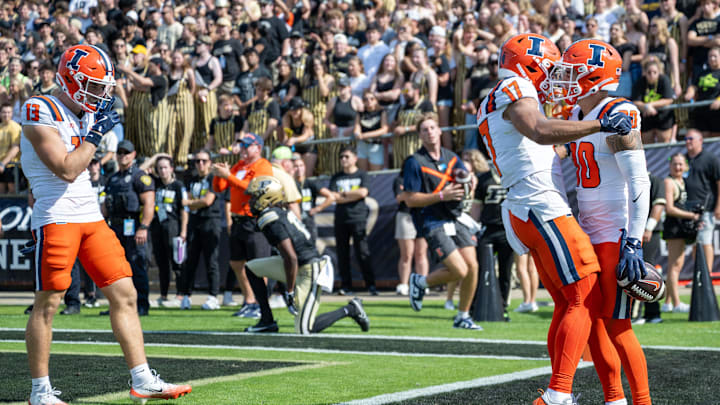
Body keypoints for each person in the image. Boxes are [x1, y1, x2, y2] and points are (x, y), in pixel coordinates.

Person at [20, 44, 191, 405]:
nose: (100, 94)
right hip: (57, 216)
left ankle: (142, 377)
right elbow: (65, 169)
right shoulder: (38, 109)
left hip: (90, 218)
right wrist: (95, 136)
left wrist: (93, 132)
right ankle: (40, 391)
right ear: (69, 80)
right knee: (48, 304)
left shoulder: (83, 110)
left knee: (125, 294)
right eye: (94, 86)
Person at [477, 34, 632, 404]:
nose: (555, 77)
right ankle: (558, 394)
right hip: (540, 204)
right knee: (585, 293)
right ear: (529, 64)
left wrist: (570, 145)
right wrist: (600, 125)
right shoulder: (514, 85)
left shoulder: (501, 93)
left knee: (568, 302)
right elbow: (540, 131)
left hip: (526, 205)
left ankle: (574, 392)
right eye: (549, 68)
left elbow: (537, 143)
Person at [552, 38, 653, 405]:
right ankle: (614, 399)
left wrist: (634, 240)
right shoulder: (579, 116)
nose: (566, 79)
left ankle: (642, 401)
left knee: (617, 325)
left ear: (593, 76)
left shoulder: (617, 111)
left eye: (573, 72)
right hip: (586, 231)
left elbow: (639, 180)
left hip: (614, 232)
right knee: (591, 323)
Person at [244, 176, 370, 334]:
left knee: (304, 330)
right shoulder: (276, 212)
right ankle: (267, 320)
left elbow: (291, 257)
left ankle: (351, 309)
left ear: (267, 196)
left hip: (310, 270)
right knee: (251, 268)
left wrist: (289, 292)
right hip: (296, 264)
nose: (250, 201)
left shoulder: (270, 217)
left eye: (255, 196)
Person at [401, 111, 481, 330]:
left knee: (473, 266)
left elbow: (466, 180)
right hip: (432, 220)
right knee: (459, 270)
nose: (429, 132)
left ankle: (462, 316)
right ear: (420, 135)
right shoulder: (414, 162)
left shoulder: (452, 157)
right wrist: (442, 195)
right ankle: (421, 281)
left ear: (439, 130)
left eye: (432, 128)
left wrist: (469, 182)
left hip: (455, 218)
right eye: (424, 129)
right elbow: (409, 199)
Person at [212, 132, 277, 332]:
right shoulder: (239, 166)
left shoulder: (262, 165)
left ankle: (260, 304)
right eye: (242, 145)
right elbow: (220, 187)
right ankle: (249, 300)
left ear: (257, 147)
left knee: (259, 265)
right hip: (238, 219)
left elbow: (253, 188)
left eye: (247, 145)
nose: (243, 149)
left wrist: (228, 176)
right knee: (236, 262)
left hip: (253, 220)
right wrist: (219, 174)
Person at [103, 139, 155, 317]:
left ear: (133, 155)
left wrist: (144, 227)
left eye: (126, 153)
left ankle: (141, 304)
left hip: (133, 227)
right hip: (115, 227)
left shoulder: (139, 176)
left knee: (137, 266)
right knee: (116, 269)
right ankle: (117, 304)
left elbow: (149, 203)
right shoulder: (113, 178)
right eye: (120, 153)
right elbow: (105, 206)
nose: (123, 156)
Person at [325, 146, 377, 295]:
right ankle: (346, 286)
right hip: (340, 219)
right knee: (342, 254)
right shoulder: (337, 177)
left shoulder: (362, 175)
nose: (343, 159)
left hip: (358, 218)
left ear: (355, 158)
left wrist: (345, 194)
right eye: (341, 157)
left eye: (346, 156)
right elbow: (333, 196)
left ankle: (371, 285)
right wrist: (352, 195)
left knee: (363, 252)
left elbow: (363, 192)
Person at [141, 154, 188, 309]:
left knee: (177, 262)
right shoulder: (155, 184)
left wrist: (183, 231)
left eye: (165, 167)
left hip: (173, 227)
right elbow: (140, 171)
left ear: (171, 169)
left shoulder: (178, 186)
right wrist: (154, 157)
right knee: (162, 264)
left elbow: (184, 210)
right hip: (157, 227)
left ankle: (180, 295)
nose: (162, 171)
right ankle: (163, 295)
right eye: (159, 168)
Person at [180, 149, 226, 310]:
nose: (200, 164)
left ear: (210, 163)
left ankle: (213, 296)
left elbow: (207, 201)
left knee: (211, 261)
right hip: (194, 221)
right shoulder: (191, 179)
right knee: (190, 260)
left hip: (211, 221)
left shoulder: (214, 178)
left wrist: (191, 203)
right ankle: (186, 296)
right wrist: (193, 203)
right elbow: (186, 198)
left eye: (204, 161)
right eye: (197, 161)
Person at [661, 152, 697, 313]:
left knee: (675, 265)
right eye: (675, 164)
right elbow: (669, 208)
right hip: (673, 227)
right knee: (674, 266)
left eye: (681, 164)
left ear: (686, 166)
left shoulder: (681, 181)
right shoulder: (669, 182)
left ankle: (667, 303)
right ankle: (676, 304)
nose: (678, 167)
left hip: (680, 227)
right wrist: (690, 215)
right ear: (670, 165)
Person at [684, 130, 720, 281]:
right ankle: (699, 275)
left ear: (700, 140)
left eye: (691, 138)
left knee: (705, 242)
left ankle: (707, 276)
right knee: (695, 244)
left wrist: (718, 206)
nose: (687, 141)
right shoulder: (684, 159)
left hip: (706, 208)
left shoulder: (710, 159)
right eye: (686, 139)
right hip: (688, 210)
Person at [633, 171, 665, 324]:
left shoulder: (654, 179)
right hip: (633, 231)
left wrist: (648, 228)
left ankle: (641, 314)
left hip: (647, 233)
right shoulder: (628, 179)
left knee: (644, 271)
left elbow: (659, 205)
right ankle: (651, 313)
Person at [393, 157, 429, 296]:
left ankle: (423, 283)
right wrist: (410, 194)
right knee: (406, 254)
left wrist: (407, 193)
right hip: (405, 217)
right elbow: (399, 198)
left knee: (421, 253)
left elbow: (426, 195)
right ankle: (403, 284)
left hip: (421, 216)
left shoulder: (423, 177)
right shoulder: (399, 179)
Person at [632, 57, 674, 144]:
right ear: (644, 72)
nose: (652, 75)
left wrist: (650, 105)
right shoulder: (640, 82)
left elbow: (669, 99)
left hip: (663, 116)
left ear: (659, 72)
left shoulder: (664, 80)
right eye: (649, 72)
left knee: (664, 142)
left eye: (655, 72)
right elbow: (635, 101)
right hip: (646, 115)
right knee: (647, 142)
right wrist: (646, 106)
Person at [279, 97, 316, 176]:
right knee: (295, 170)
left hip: (308, 146)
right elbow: (286, 134)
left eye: (296, 110)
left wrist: (294, 139)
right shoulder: (286, 118)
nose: (293, 112)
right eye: (292, 110)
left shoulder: (307, 117)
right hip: (295, 147)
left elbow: (305, 135)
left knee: (307, 173)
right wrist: (286, 142)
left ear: (301, 109)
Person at [354, 90, 388, 171]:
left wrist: (366, 135)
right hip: (362, 145)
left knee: (375, 175)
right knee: (363, 172)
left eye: (372, 99)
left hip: (375, 145)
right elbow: (357, 126)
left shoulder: (381, 112)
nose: (369, 101)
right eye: (366, 99)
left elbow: (384, 129)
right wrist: (357, 133)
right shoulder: (360, 113)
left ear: (376, 100)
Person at [0, 103, 21, 193]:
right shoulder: (1, 127)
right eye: (4, 112)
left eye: (8, 112)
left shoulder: (15, 127)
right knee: (1, 192)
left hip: (12, 166)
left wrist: (2, 164)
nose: (6, 115)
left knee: (12, 192)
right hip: (1, 165)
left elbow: (15, 148)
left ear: (12, 113)